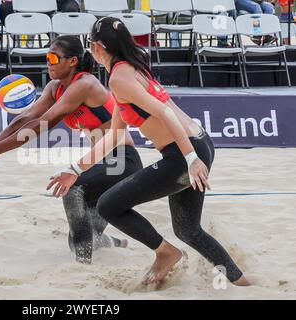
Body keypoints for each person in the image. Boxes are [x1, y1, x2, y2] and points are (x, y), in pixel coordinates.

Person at [47, 17, 250, 287]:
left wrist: (190, 159)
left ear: (97, 47)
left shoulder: (120, 77)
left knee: (109, 205)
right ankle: (241, 282)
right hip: (198, 144)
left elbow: (165, 112)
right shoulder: (127, 70)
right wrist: (75, 170)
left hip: (184, 153)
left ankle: (166, 253)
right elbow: (115, 136)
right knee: (188, 229)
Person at [0, 35, 143, 264]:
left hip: (122, 161)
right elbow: (25, 118)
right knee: (80, 238)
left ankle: (83, 267)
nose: (48, 63)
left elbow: (44, 122)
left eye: (52, 58)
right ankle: (113, 243)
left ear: (72, 61)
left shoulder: (85, 84)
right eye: (46, 57)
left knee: (73, 190)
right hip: (100, 162)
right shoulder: (55, 88)